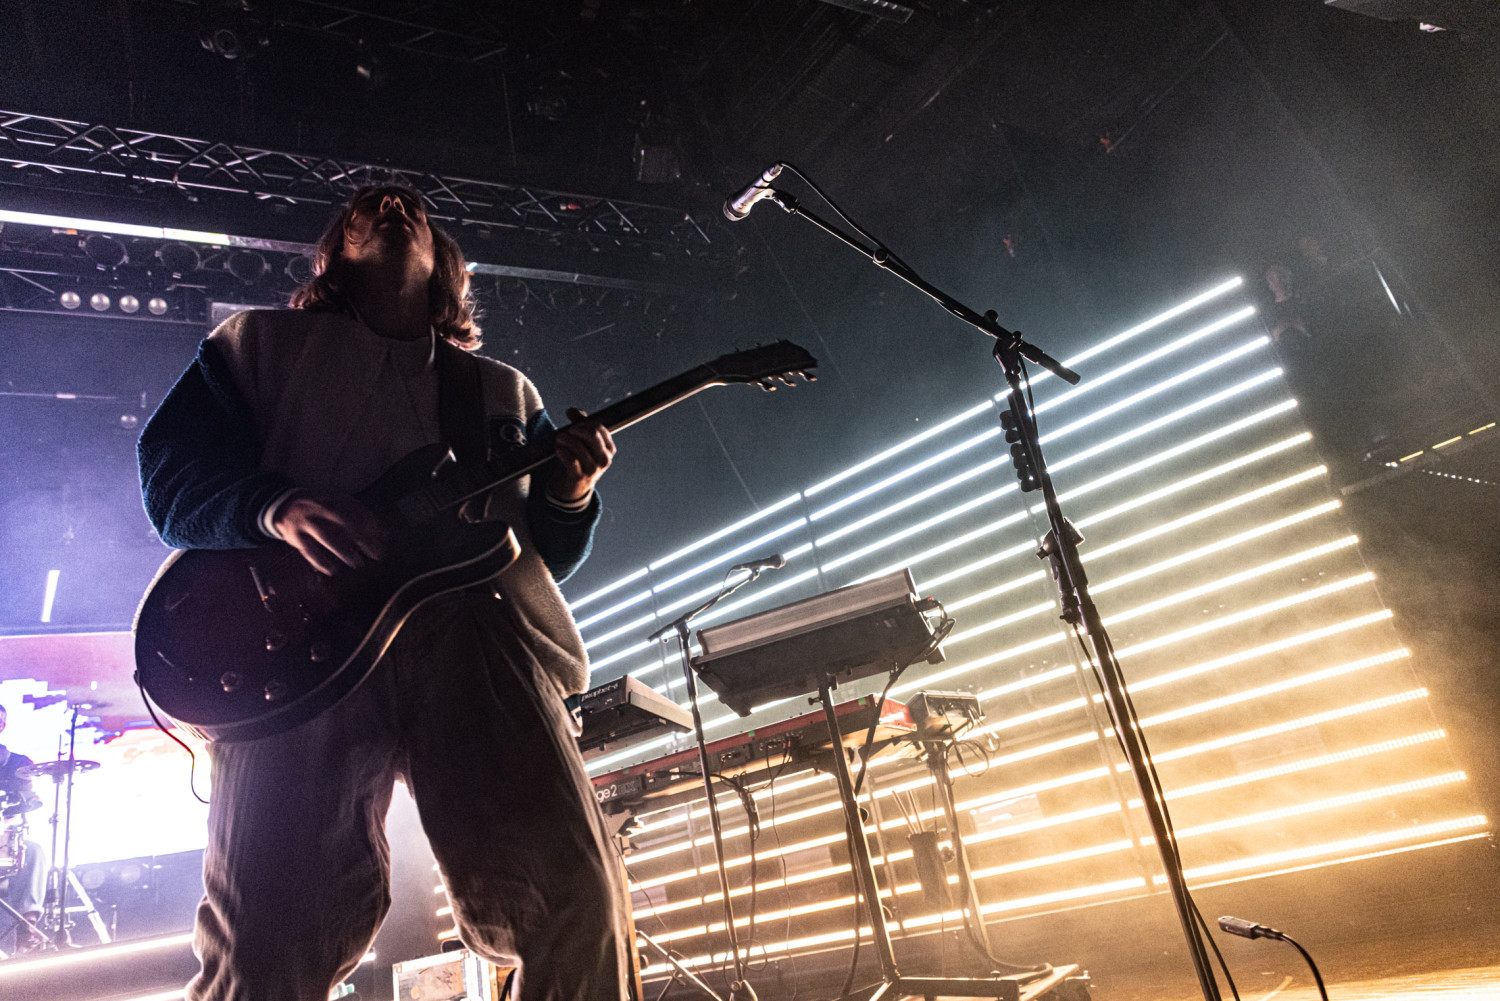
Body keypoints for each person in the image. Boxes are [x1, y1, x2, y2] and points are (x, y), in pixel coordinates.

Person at [137, 185, 626, 1001]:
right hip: (298, 654)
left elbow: (542, 557)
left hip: (478, 639)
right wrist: (273, 506)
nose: (394, 204)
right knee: (265, 938)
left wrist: (570, 492)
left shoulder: (505, 394)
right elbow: (170, 477)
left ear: (444, 264)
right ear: (331, 254)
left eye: (414, 210)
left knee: (575, 897)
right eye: (368, 206)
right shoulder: (258, 344)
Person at [0, 704, 48, 954]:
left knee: (35, 851)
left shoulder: (18, 763)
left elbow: (28, 800)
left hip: (4, 837)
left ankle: (27, 925)